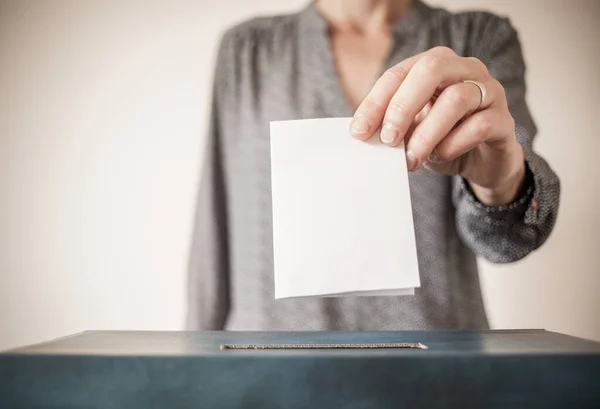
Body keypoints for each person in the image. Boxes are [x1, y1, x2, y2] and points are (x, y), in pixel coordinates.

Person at [186, 0, 560, 331]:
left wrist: (499, 184)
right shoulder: (247, 50)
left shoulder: (475, 38)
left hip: (435, 371)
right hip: (267, 369)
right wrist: (191, 368)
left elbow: (508, 242)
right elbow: (215, 220)